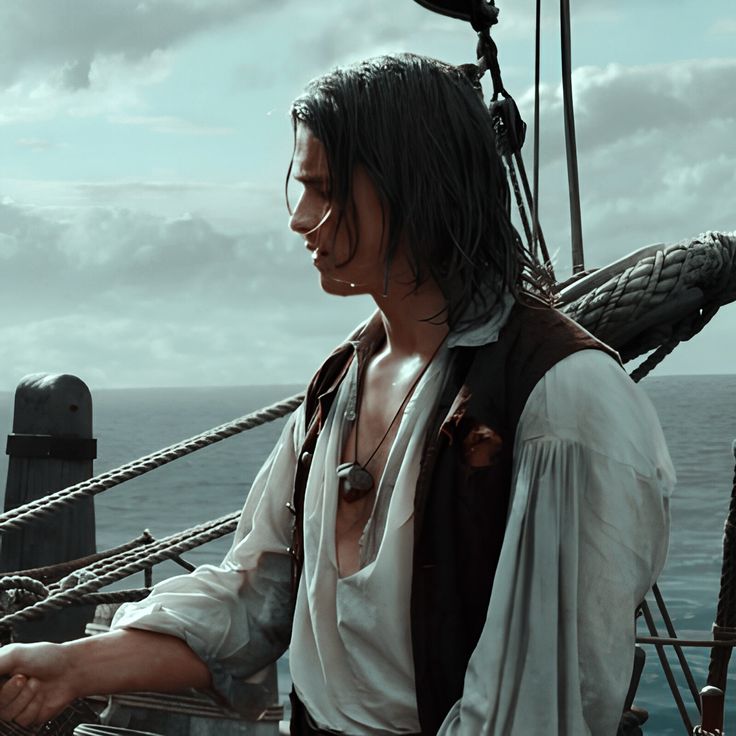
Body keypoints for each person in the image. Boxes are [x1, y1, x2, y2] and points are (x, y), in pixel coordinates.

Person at [0, 54, 673, 735]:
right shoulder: (337, 388)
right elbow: (254, 601)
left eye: (324, 190)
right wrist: (70, 666)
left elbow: (539, 706)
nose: (300, 218)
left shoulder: (564, 402)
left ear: (412, 186)